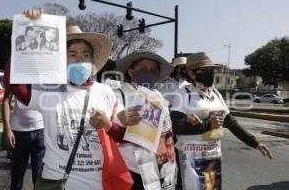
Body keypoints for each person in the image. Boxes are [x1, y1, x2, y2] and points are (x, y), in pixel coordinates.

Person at [4, 9, 133, 190]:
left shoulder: (107, 92)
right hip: (56, 182)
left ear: (92, 60)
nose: (79, 59)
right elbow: (13, 84)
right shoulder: (48, 91)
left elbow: (121, 135)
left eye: (85, 55)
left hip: (96, 184)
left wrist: (107, 124)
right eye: (72, 54)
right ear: (61, 60)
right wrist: (25, 32)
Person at [170, 52, 273, 190]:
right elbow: (175, 126)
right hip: (191, 159)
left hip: (213, 157)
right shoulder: (184, 93)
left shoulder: (216, 94)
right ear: (192, 73)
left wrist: (254, 142)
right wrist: (207, 125)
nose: (210, 73)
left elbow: (230, 122)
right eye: (205, 70)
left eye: (211, 70)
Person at [115, 50, 176, 189]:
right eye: (143, 68)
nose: (148, 72)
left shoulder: (158, 96)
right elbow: (109, 127)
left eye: (153, 70)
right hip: (131, 171)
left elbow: (167, 132)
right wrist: (120, 119)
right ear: (131, 72)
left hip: (159, 168)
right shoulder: (119, 95)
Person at [2, 87, 45, 190]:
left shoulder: (44, 77)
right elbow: (6, 102)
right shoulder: (17, 76)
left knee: (39, 176)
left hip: (41, 131)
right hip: (18, 133)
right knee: (17, 174)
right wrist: (7, 129)